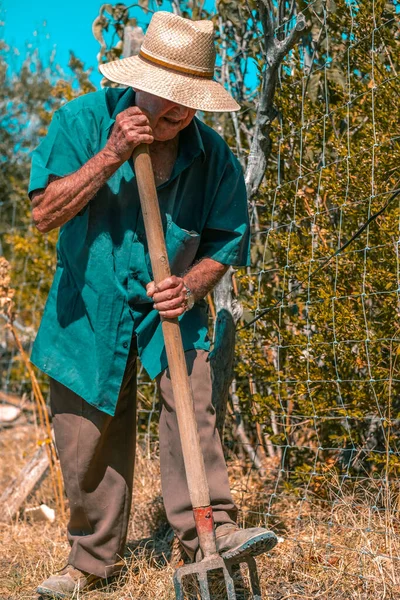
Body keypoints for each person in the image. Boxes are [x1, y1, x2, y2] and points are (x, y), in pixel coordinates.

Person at [29, 11, 277, 599]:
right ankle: (89, 564)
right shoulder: (82, 122)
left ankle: (210, 533)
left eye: (193, 101)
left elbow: (227, 242)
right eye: (172, 99)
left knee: (193, 407)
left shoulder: (211, 155)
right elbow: (43, 213)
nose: (183, 113)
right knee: (86, 440)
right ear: (142, 82)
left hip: (171, 309)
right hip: (87, 308)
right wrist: (111, 156)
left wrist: (192, 285)